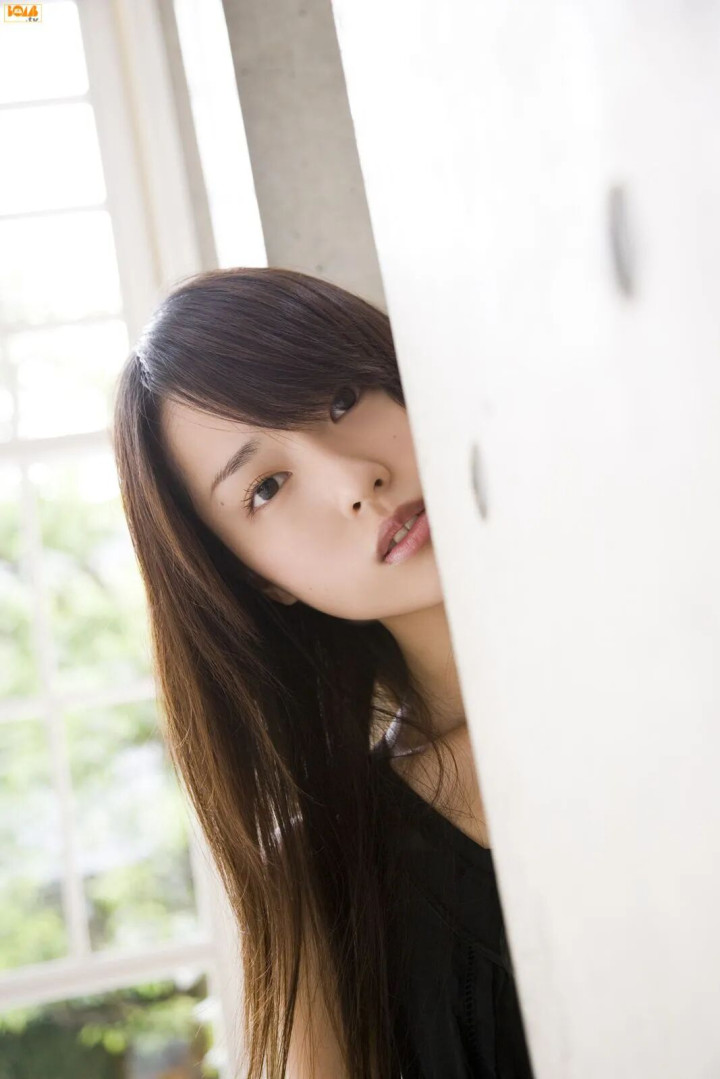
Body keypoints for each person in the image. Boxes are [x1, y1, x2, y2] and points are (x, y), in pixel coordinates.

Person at [112, 267, 534, 1079]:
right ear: (255, 578)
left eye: (343, 399)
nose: (353, 480)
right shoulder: (322, 879)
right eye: (267, 487)